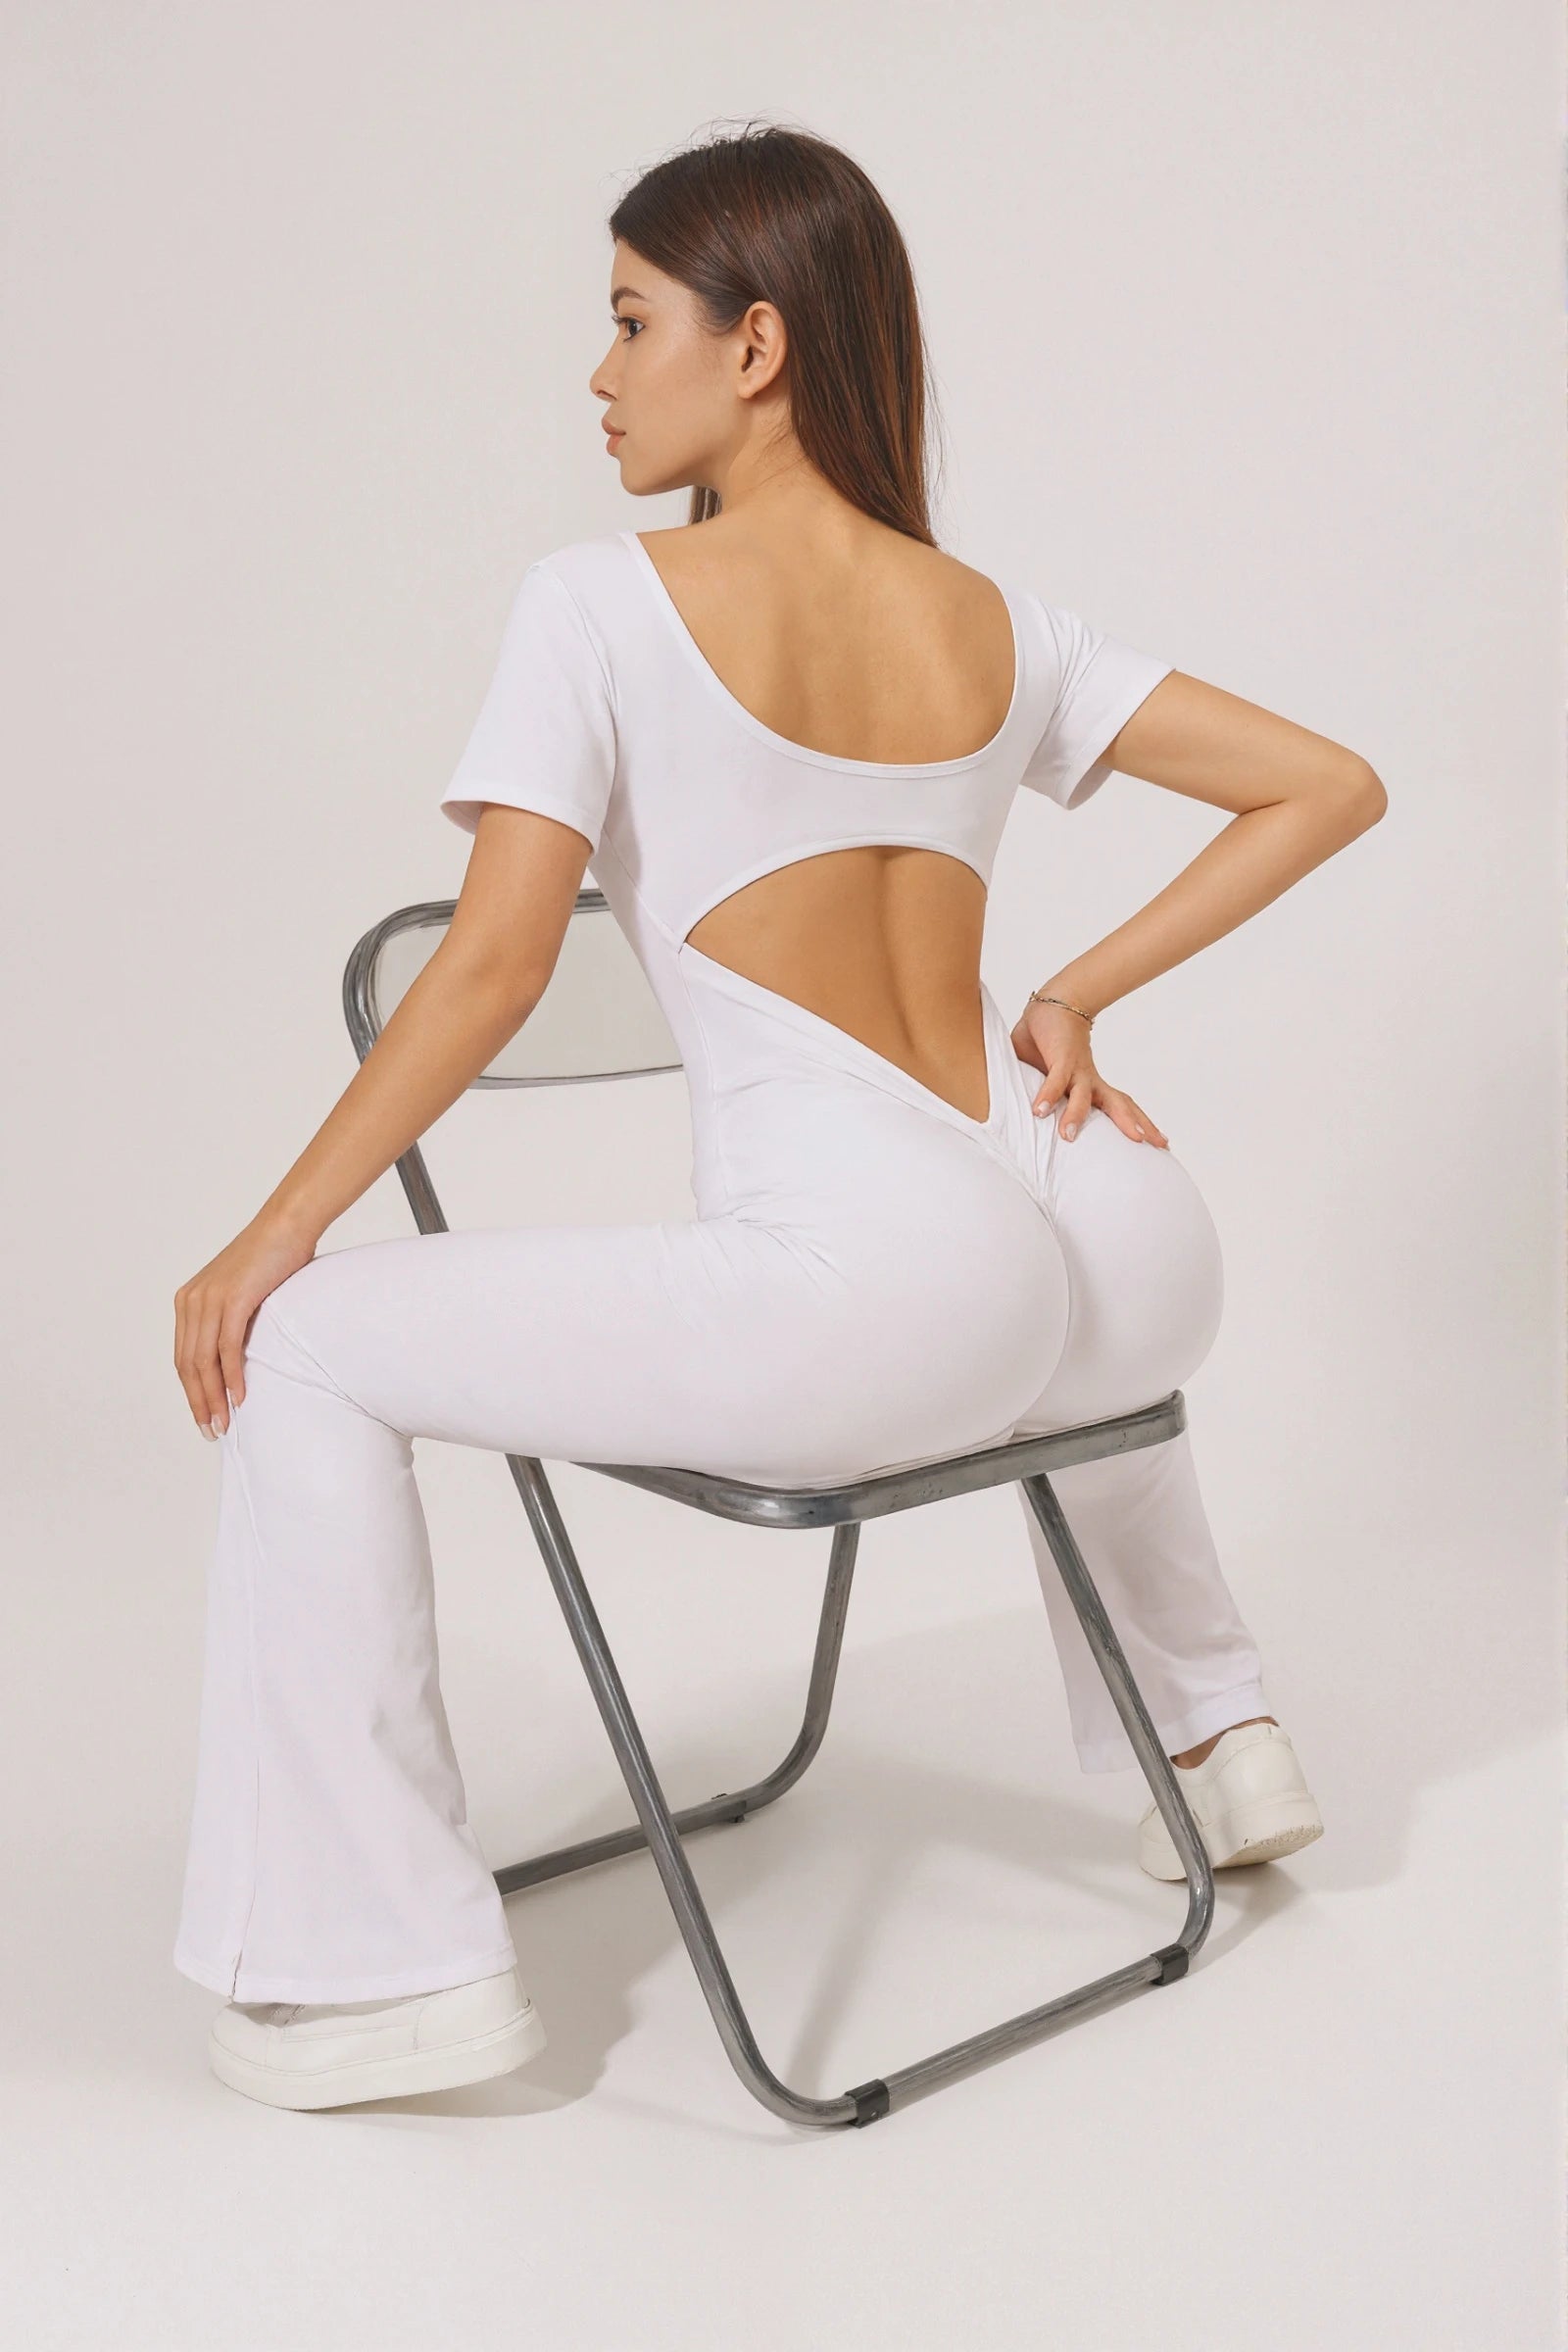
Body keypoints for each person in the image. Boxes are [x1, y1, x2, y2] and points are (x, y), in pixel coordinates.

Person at [170, 122, 1384, 2113]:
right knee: (1045, 1342)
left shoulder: (598, 602)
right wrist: (1070, 995)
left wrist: (270, 1233)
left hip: (895, 1288)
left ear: (753, 347)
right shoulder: (989, 616)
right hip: (1110, 1236)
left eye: (629, 321)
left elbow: (488, 970)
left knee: (300, 1338)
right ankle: (1215, 1740)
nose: (597, 373)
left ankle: (376, 1972)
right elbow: (1326, 781)